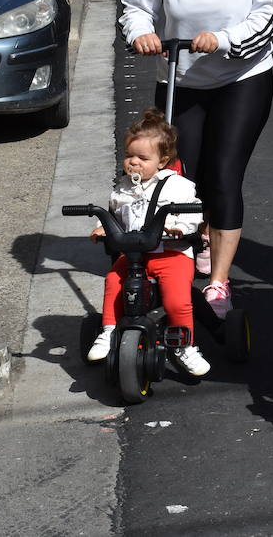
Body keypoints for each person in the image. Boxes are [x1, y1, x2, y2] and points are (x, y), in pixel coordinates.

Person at [120, 0, 273, 319]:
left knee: (224, 174)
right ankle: (185, 254)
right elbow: (134, 6)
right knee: (181, 179)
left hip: (242, 78)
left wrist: (226, 40)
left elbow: (270, 16)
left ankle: (217, 283)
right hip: (182, 78)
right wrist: (140, 33)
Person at [86, 108, 210, 377]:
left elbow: (193, 212)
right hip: (134, 255)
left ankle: (184, 345)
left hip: (170, 253)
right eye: (129, 156)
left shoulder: (177, 186)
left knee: (177, 298)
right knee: (113, 281)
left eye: (143, 158)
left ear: (162, 161)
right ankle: (108, 331)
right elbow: (114, 216)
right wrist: (101, 228)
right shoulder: (122, 188)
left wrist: (180, 226)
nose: (134, 163)